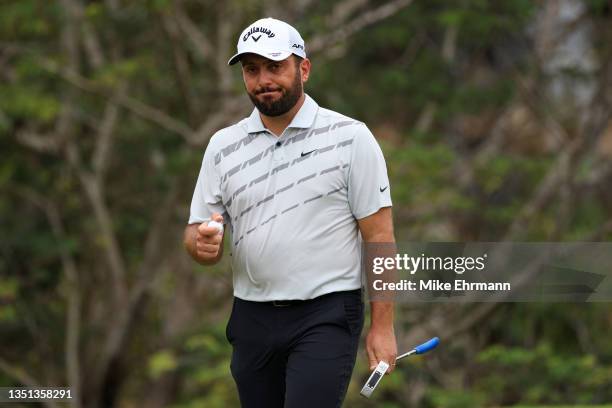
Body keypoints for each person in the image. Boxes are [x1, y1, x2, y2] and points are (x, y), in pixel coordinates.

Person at [184, 17, 397, 408]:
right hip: (251, 315)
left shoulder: (350, 138)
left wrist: (382, 327)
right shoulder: (222, 146)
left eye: (275, 66)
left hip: (326, 313)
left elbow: (380, 237)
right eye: (252, 69)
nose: (263, 79)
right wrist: (203, 244)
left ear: (304, 68)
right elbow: (197, 237)